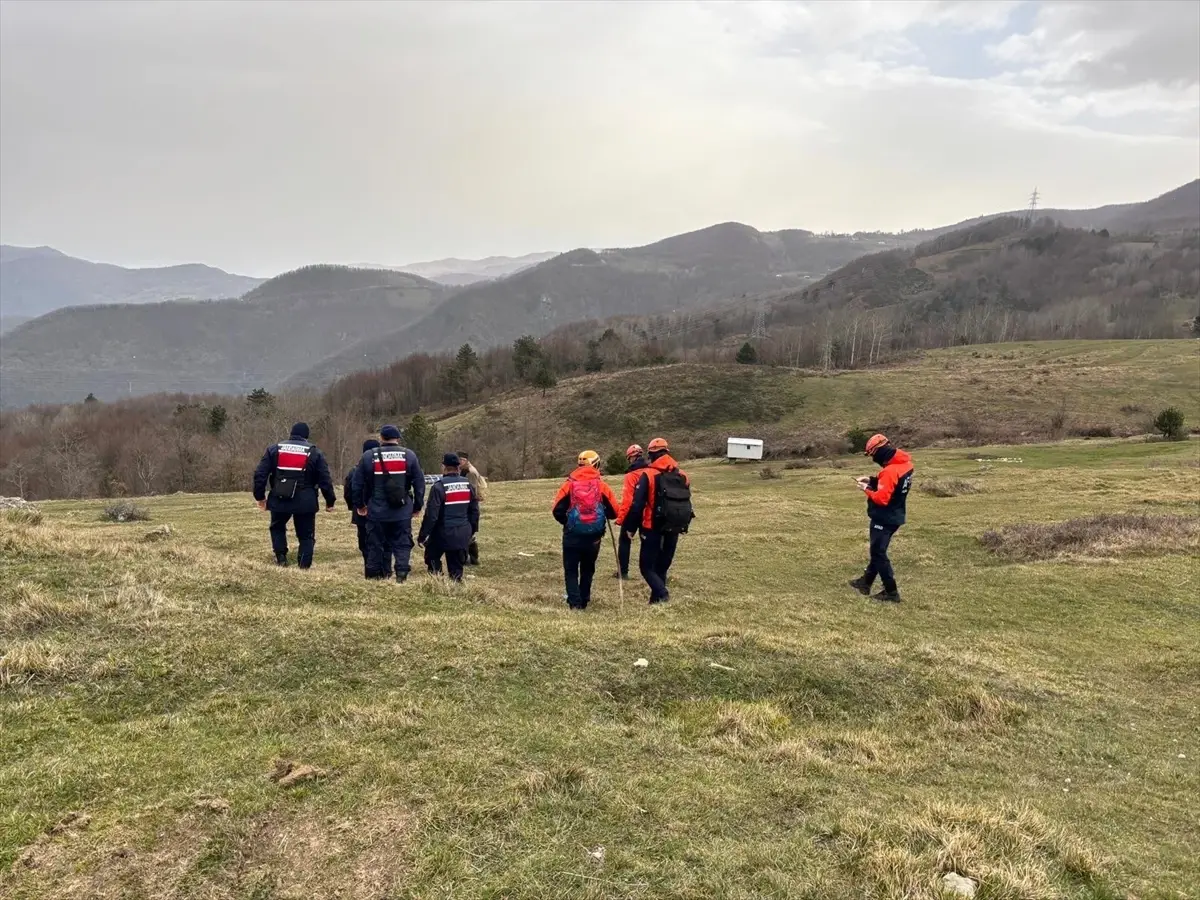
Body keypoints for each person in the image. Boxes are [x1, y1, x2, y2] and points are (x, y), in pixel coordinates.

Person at [252, 422, 336, 568]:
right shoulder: (314, 452)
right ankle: (304, 565)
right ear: (306, 437)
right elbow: (325, 479)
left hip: (280, 497)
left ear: (291, 434)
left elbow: (260, 474)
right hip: (306, 500)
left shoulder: (274, 449)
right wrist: (330, 501)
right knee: (306, 535)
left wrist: (260, 497)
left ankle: (281, 558)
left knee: (277, 527)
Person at [350, 424, 425, 583]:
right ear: (398, 438)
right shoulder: (409, 456)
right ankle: (401, 574)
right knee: (402, 543)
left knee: (374, 543)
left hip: (376, 510)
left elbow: (356, 485)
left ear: (381, 438)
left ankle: (373, 576)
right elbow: (419, 483)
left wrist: (360, 505)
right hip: (402, 510)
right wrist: (417, 506)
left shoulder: (369, 456)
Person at [623, 437, 693, 605]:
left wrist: (630, 527)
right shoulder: (682, 475)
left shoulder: (648, 474)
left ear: (652, 454)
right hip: (674, 525)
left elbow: (637, 504)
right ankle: (656, 602)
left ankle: (662, 593)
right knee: (662, 566)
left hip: (651, 527)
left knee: (646, 567)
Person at [848, 433, 913, 603]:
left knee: (878, 553)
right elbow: (892, 485)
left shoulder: (890, 471)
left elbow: (882, 498)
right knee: (877, 551)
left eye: (872, 455)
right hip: (896, 514)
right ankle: (865, 582)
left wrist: (866, 488)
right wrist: (871, 479)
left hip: (884, 518)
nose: (873, 459)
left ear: (879, 452)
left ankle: (891, 592)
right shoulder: (905, 464)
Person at [552, 449, 618, 610]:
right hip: (594, 536)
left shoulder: (568, 485)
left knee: (571, 569)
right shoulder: (602, 486)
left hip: (572, 535)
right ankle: (584, 599)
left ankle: (574, 603)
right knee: (588, 569)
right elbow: (614, 512)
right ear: (596, 464)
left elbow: (556, 510)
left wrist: (568, 523)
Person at [418, 453, 480, 582]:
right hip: (462, 532)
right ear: (458, 468)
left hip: (442, 533)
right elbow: (474, 511)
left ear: (443, 467)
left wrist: (423, 535)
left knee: (432, 559)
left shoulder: (439, 487)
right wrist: (471, 530)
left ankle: (437, 584)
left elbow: (431, 515)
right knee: (456, 570)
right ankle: (456, 589)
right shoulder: (467, 485)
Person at [344, 438, 380, 576]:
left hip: (361, 512)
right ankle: (383, 570)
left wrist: (353, 506)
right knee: (380, 541)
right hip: (381, 511)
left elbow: (348, 491)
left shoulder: (355, 470)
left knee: (364, 542)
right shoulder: (383, 468)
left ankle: (369, 569)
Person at [614, 443, 647, 580]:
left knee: (625, 541)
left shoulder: (631, 475)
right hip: (648, 514)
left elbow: (627, 501)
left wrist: (620, 519)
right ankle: (649, 572)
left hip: (633, 514)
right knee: (647, 543)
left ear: (631, 458)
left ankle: (623, 572)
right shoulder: (652, 472)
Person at [457, 451, 488, 566]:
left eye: (460, 459)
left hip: (470, 506)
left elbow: (471, 490)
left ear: (465, 460)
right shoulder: (465, 470)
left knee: (468, 534)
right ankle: (471, 558)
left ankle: (471, 559)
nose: (459, 462)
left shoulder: (470, 472)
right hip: (470, 505)